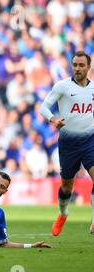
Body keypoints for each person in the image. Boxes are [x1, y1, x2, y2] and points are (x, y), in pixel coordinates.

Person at [40, 50, 94, 236]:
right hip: (69, 144)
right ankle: (63, 214)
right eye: (75, 65)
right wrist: (53, 119)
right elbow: (44, 106)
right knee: (66, 186)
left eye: (81, 65)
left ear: (88, 67)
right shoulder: (62, 86)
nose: (77, 68)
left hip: (89, 140)